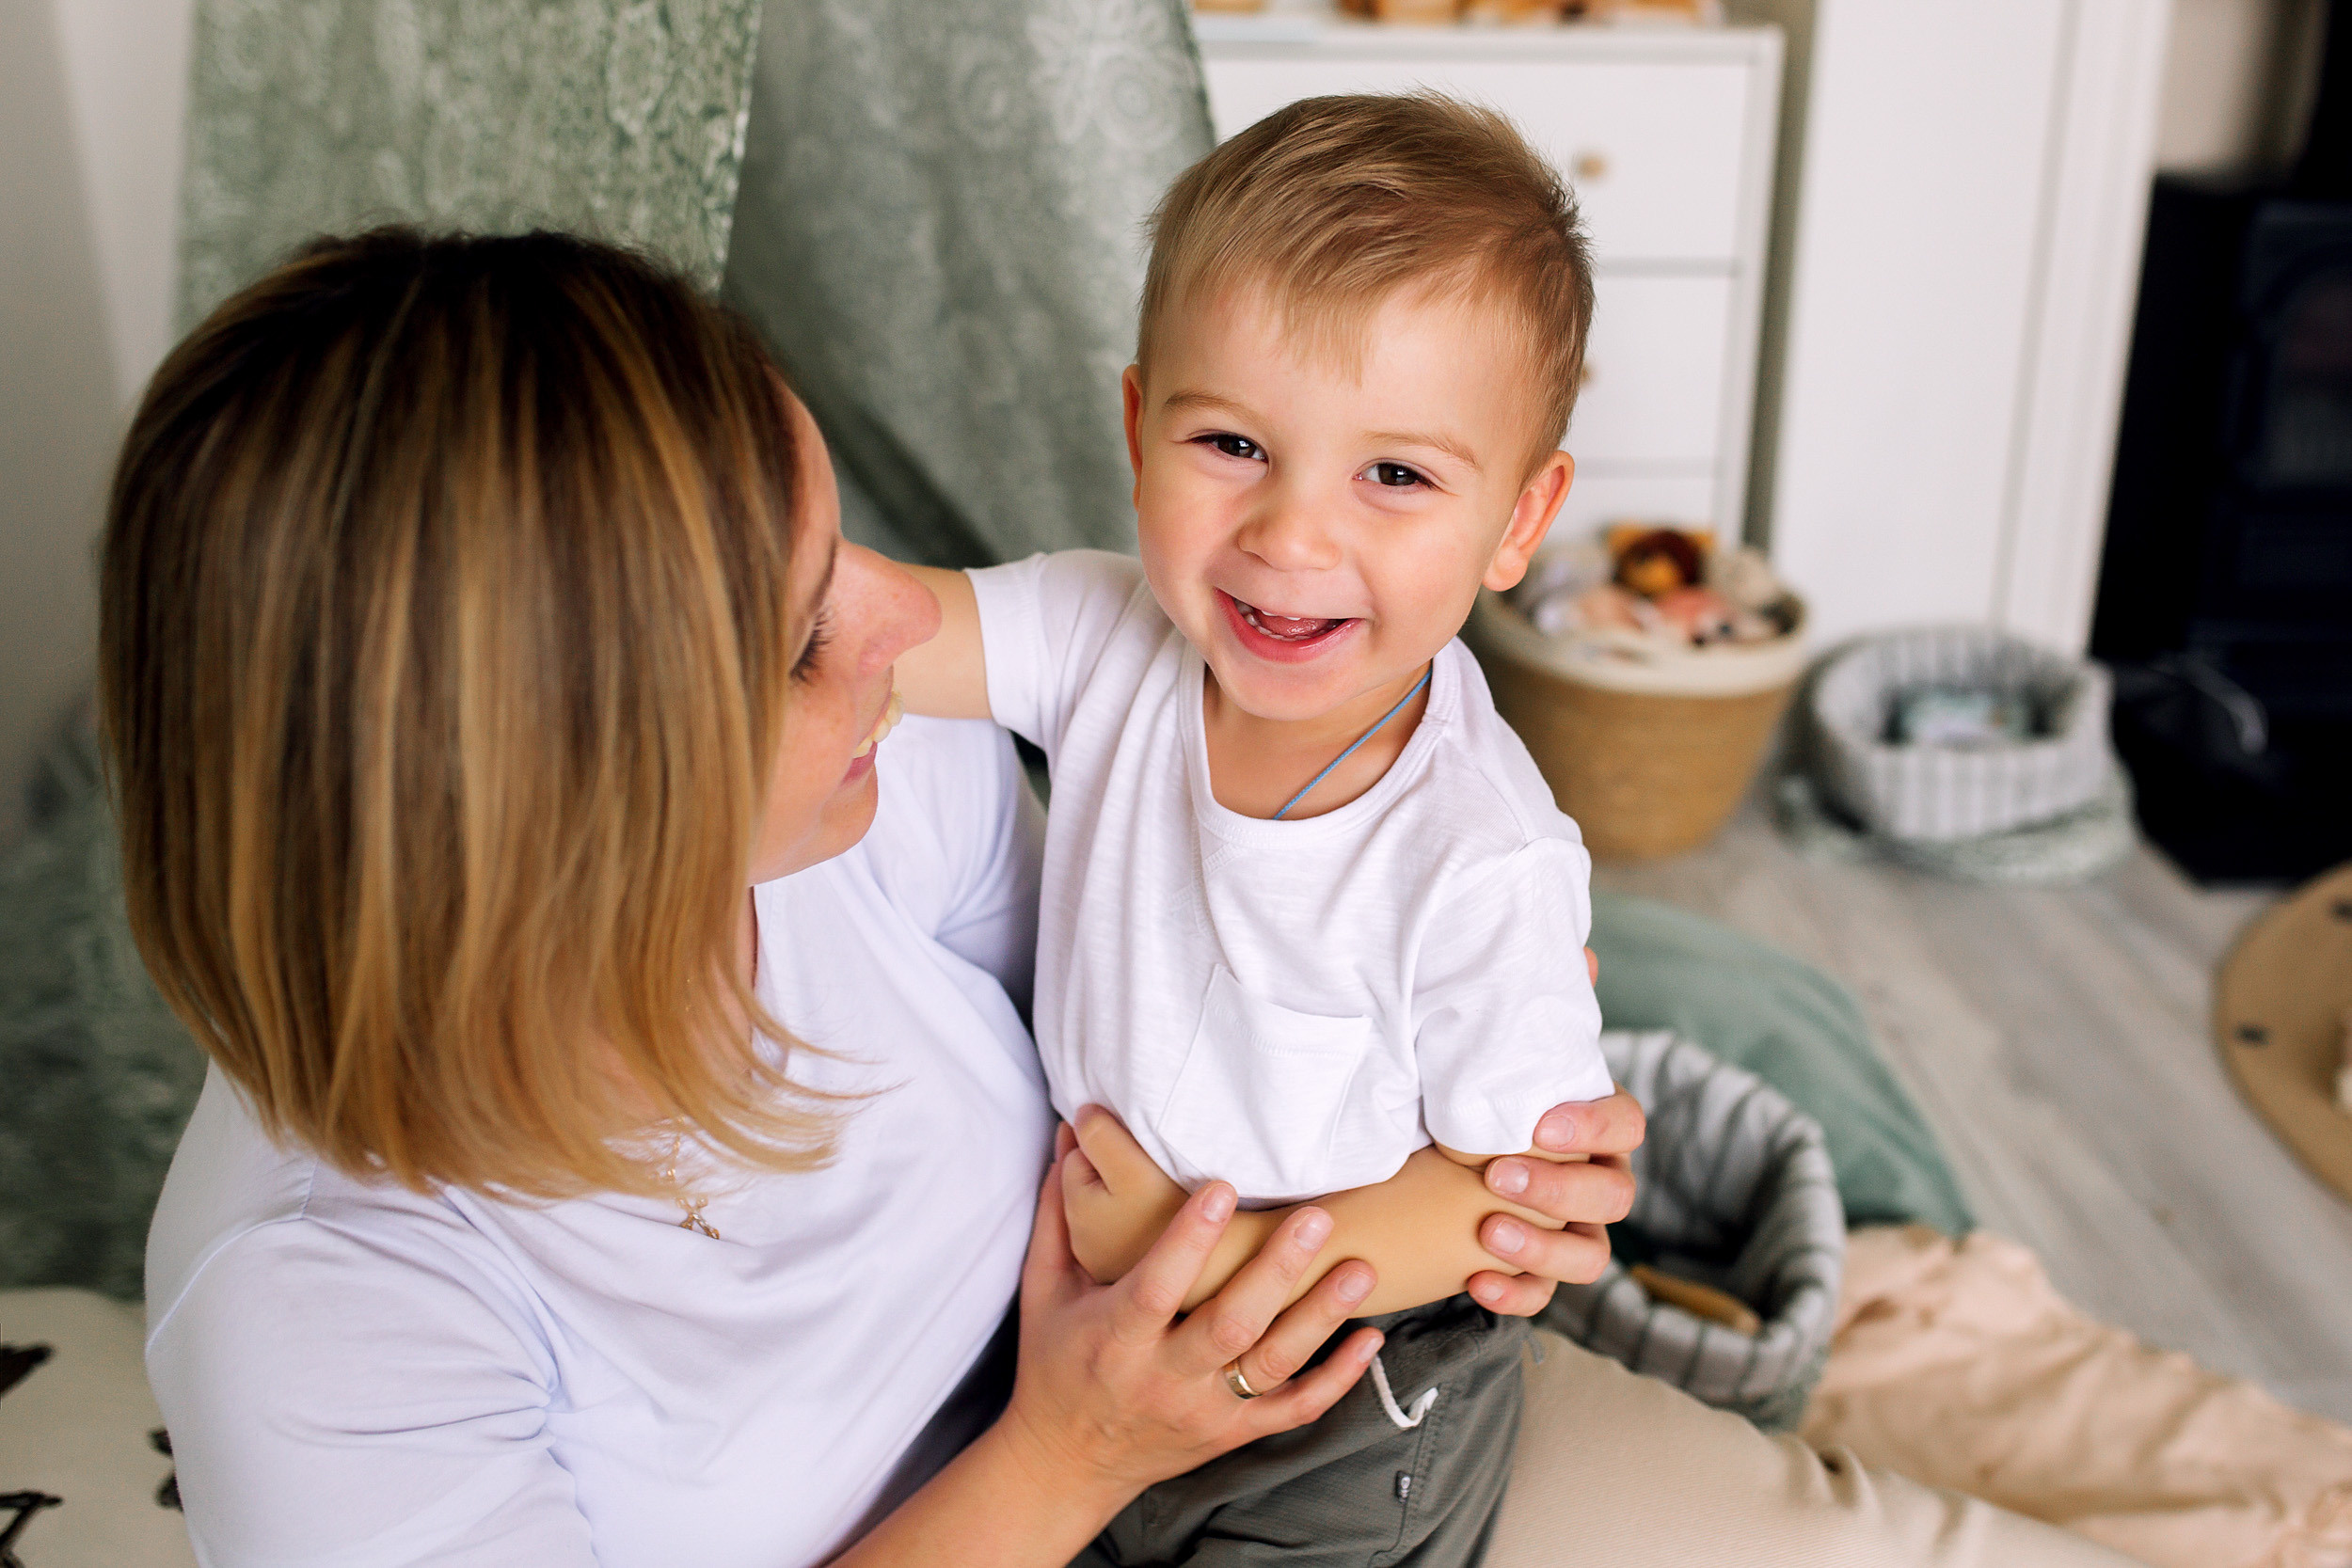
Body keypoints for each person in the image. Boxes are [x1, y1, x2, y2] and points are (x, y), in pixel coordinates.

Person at [119, 229, 2137, 1568]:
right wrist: (1073, 1450)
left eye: (841, 557)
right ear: (557, 798)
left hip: (1279, 1412)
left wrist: (1476, 1142)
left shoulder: (850, 801)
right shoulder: (326, 1315)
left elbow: (1181, 967)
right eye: (804, 633)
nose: (900, 632)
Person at [892, 93, 1613, 1566]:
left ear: (1520, 521)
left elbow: (1502, 1202)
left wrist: (1201, 1260)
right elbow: (875, 629)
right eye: (1230, 442)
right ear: (1138, 425)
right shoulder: (1107, 635)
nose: (1291, 537)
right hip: (1091, 1331)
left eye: (1395, 475)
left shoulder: (1481, 853)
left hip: (1357, 1399)